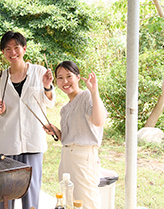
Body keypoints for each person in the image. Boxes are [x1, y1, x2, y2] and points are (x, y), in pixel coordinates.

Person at [0, 31, 56, 209]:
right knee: (5, 194)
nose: (13, 52)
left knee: (31, 194)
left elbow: (50, 102)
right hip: (7, 145)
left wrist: (48, 86)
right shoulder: (0, 79)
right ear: (3, 52)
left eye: (16, 48)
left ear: (24, 49)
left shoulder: (39, 72)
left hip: (33, 143)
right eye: (8, 49)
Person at [44, 61, 107, 209]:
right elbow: (68, 137)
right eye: (60, 78)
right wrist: (57, 131)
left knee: (86, 202)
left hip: (83, 158)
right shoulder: (65, 108)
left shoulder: (87, 96)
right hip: (67, 157)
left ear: (78, 77)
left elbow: (98, 121)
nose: (64, 81)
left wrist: (94, 91)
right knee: (69, 202)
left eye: (69, 76)